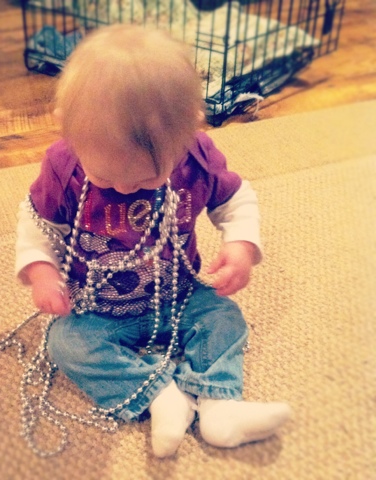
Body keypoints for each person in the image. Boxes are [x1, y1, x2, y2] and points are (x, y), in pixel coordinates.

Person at [15, 24, 291, 458]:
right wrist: (42, 272)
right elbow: (37, 224)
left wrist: (240, 245)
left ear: (188, 131)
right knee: (65, 344)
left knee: (224, 318)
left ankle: (219, 406)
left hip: (179, 294)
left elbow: (236, 199)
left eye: (147, 178)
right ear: (66, 129)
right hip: (98, 308)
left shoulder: (196, 157)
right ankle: (163, 397)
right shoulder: (62, 167)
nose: (126, 188)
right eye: (106, 178)